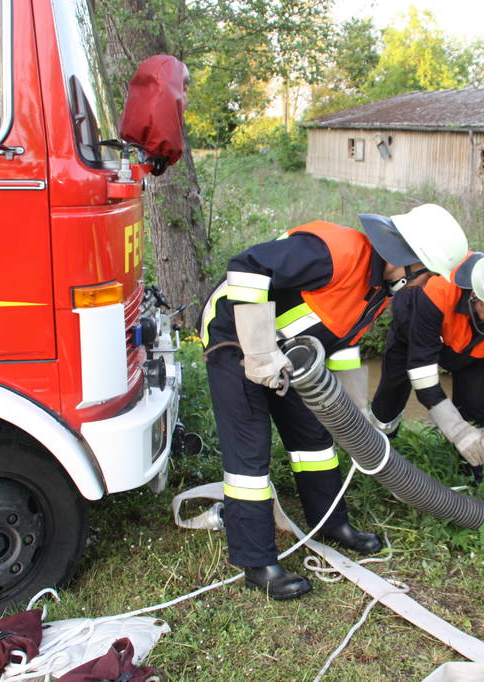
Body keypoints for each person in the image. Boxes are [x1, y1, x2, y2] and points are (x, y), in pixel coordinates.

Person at [200, 204, 469, 600]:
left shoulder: (380, 288)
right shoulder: (335, 251)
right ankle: (257, 562)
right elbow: (246, 266)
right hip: (235, 341)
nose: (423, 285)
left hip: (288, 354)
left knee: (315, 441)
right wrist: (258, 352)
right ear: (405, 259)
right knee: (250, 453)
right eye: (425, 275)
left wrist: (353, 408)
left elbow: (342, 342)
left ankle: (329, 523)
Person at [368, 251, 484, 481]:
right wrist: (456, 431)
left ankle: (471, 474)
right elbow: (423, 376)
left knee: (474, 408)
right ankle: (375, 454)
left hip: (473, 349)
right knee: (391, 395)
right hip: (413, 330)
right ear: (477, 295)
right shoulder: (438, 290)